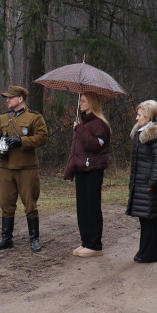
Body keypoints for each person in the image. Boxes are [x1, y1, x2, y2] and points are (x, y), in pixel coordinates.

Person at [0, 85, 49, 251]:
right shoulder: (3, 118)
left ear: (20, 99)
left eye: (10, 97)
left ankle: (34, 239)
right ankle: (6, 238)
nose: (7, 100)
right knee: (6, 203)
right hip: (7, 167)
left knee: (30, 203)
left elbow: (42, 137)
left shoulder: (34, 117)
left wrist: (21, 141)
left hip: (27, 168)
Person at [63, 93, 111, 257]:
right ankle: (85, 241)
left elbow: (93, 146)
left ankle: (95, 245)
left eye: (83, 101)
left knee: (92, 207)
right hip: (81, 171)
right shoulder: (81, 122)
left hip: (93, 171)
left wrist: (81, 129)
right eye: (81, 101)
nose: (80, 104)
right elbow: (75, 150)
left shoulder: (101, 125)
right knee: (82, 208)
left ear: (91, 103)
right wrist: (69, 170)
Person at [125, 100, 157, 263]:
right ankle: (144, 250)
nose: (137, 118)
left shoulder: (156, 135)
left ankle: (150, 254)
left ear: (148, 116)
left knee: (149, 219)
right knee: (144, 218)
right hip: (140, 182)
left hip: (149, 184)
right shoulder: (141, 132)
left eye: (139, 115)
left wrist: (152, 183)